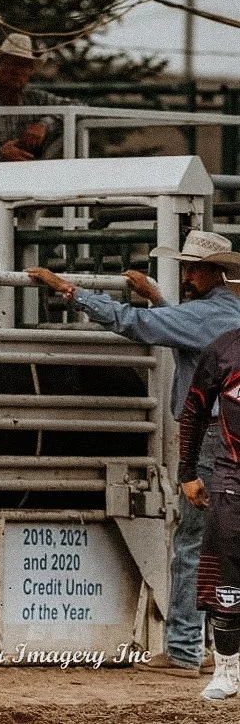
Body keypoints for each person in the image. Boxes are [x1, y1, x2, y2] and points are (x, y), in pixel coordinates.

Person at [28, 230, 240, 676]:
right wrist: (159, 298)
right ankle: (211, 646)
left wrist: (71, 291)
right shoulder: (229, 314)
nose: (188, 274)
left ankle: (183, 649)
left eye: (193, 268)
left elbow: (136, 323)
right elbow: (186, 331)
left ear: (209, 272)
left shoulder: (202, 317)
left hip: (213, 440)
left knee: (194, 543)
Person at [178, 326, 240, 700]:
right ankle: (226, 671)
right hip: (232, 479)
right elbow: (194, 409)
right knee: (226, 574)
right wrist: (187, 472)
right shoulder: (223, 349)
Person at [0, 33, 77, 163]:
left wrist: (44, 125)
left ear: (30, 71)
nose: (17, 71)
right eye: (11, 63)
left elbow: (78, 107)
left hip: (29, 177)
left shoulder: (37, 99)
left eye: (24, 65)